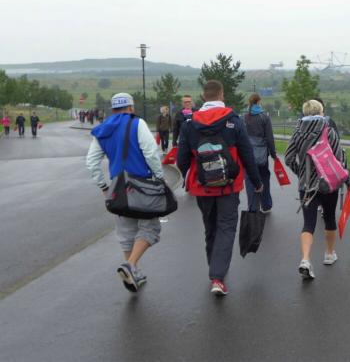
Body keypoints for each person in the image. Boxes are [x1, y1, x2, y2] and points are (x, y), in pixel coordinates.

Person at [177, 80, 263, 296]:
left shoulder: (189, 124)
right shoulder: (234, 121)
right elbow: (247, 155)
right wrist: (257, 182)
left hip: (202, 187)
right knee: (226, 227)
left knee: (211, 227)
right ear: (221, 95)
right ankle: (217, 276)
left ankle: (215, 269)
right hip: (229, 186)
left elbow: (182, 160)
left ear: (203, 96)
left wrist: (189, 179)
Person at [85, 93, 166, 293]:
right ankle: (130, 265)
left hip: (117, 187)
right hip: (142, 185)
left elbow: (92, 163)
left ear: (113, 109)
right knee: (150, 227)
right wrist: (160, 178)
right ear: (131, 107)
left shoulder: (102, 129)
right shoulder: (137, 123)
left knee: (126, 232)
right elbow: (151, 153)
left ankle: (132, 274)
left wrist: (104, 187)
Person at [284, 99, 350, 280]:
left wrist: (301, 173)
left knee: (308, 223)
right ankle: (329, 254)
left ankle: (305, 259)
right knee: (329, 218)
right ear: (321, 112)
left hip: (306, 186)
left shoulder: (297, 132)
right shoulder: (329, 131)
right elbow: (339, 159)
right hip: (329, 184)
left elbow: (289, 158)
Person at [243, 93, 278, 213]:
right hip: (262, 154)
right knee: (264, 178)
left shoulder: (244, 117)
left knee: (249, 179)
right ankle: (266, 205)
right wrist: (273, 154)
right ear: (259, 102)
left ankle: (253, 207)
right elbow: (269, 138)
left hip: (248, 154)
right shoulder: (264, 117)